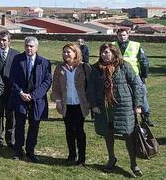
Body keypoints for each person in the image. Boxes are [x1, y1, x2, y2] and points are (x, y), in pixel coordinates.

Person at [88, 43, 143, 177]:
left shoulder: (123, 66)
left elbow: (136, 84)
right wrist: (93, 104)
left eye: (107, 52)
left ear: (114, 53)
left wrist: (138, 105)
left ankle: (133, 163)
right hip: (104, 107)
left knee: (128, 134)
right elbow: (91, 88)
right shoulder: (95, 68)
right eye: (102, 52)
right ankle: (112, 159)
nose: (104, 55)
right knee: (108, 133)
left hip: (123, 106)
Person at [9, 36, 52, 163]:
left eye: (31, 46)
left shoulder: (44, 62)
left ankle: (30, 151)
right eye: (27, 46)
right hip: (20, 98)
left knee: (34, 126)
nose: (29, 48)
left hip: (36, 100)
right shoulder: (17, 59)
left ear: (36, 47)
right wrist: (21, 92)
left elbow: (47, 81)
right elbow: (12, 78)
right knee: (19, 125)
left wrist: (33, 95)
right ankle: (18, 150)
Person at [51, 43, 90, 166]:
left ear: (75, 53)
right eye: (64, 52)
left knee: (79, 130)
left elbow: (91, 87)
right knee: (69, 130)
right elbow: (55, 87)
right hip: (66, 104)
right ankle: (71, 155)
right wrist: (58, 101)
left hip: (80, 105)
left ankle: (82, 158)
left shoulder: (84, 67)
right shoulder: (60, 68)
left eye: (69, 52)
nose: (66, 54)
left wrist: (90, 102)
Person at [113, 28, 153, 126]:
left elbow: (144, 61)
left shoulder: (136, 45)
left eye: (124, 35)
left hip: (134, 75)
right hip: (117, 76)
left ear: (128, 35)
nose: (122, 37)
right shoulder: (112, 45)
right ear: (117, 36)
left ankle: (146, 116)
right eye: (120, 35)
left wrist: (144, 75)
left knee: (141, 94)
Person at [0, 30, 20, 149]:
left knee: (11, 117)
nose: (1, 42)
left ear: (9, 41)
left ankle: (10, 140)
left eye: (4, 40)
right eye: (0, 40)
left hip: (11, 92)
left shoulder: (16, 55)